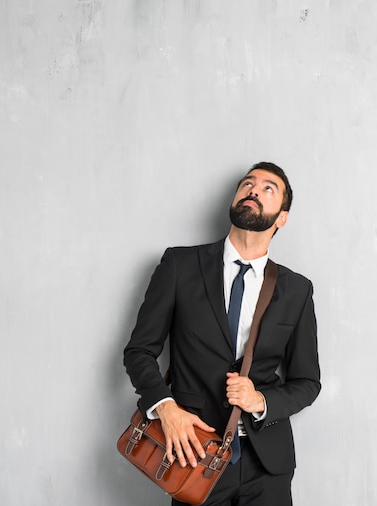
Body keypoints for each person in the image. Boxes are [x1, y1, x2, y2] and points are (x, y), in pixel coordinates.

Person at [123, 162, 321, 506]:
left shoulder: (297, 290)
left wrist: (261, 401)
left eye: (267, 189)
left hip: (268, 465)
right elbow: (139, 351)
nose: (254, 191)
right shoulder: (179, 266)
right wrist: (165, 408)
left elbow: (307, 381)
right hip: (193, 458)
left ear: (282, 217)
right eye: (247, 184)